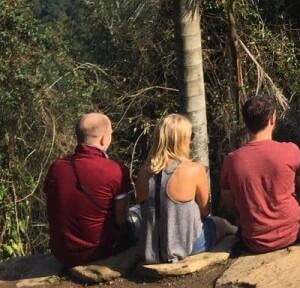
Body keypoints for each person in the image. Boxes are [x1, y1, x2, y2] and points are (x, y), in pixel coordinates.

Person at [137, 113, 236, 263]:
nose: (191, 141)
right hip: (187, 247)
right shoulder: (194, 169)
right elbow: (205, 211)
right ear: (181, 140)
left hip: (152, 250)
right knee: (221, 224)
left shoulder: (143, 173)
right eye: (191, 136)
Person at [220, 95, 300, 253]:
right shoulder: (290, 150)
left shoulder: (231, 160)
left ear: (246, 122)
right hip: (293, 233)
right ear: (272, 119)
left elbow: (229, 202)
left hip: (254, 241)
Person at [43, 112, 133, 267]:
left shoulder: (56, 168)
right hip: (99, 252)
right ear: (104, 139)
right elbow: (121, 220)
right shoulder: (117, 170)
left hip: (61, 253)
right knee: (138, 216)